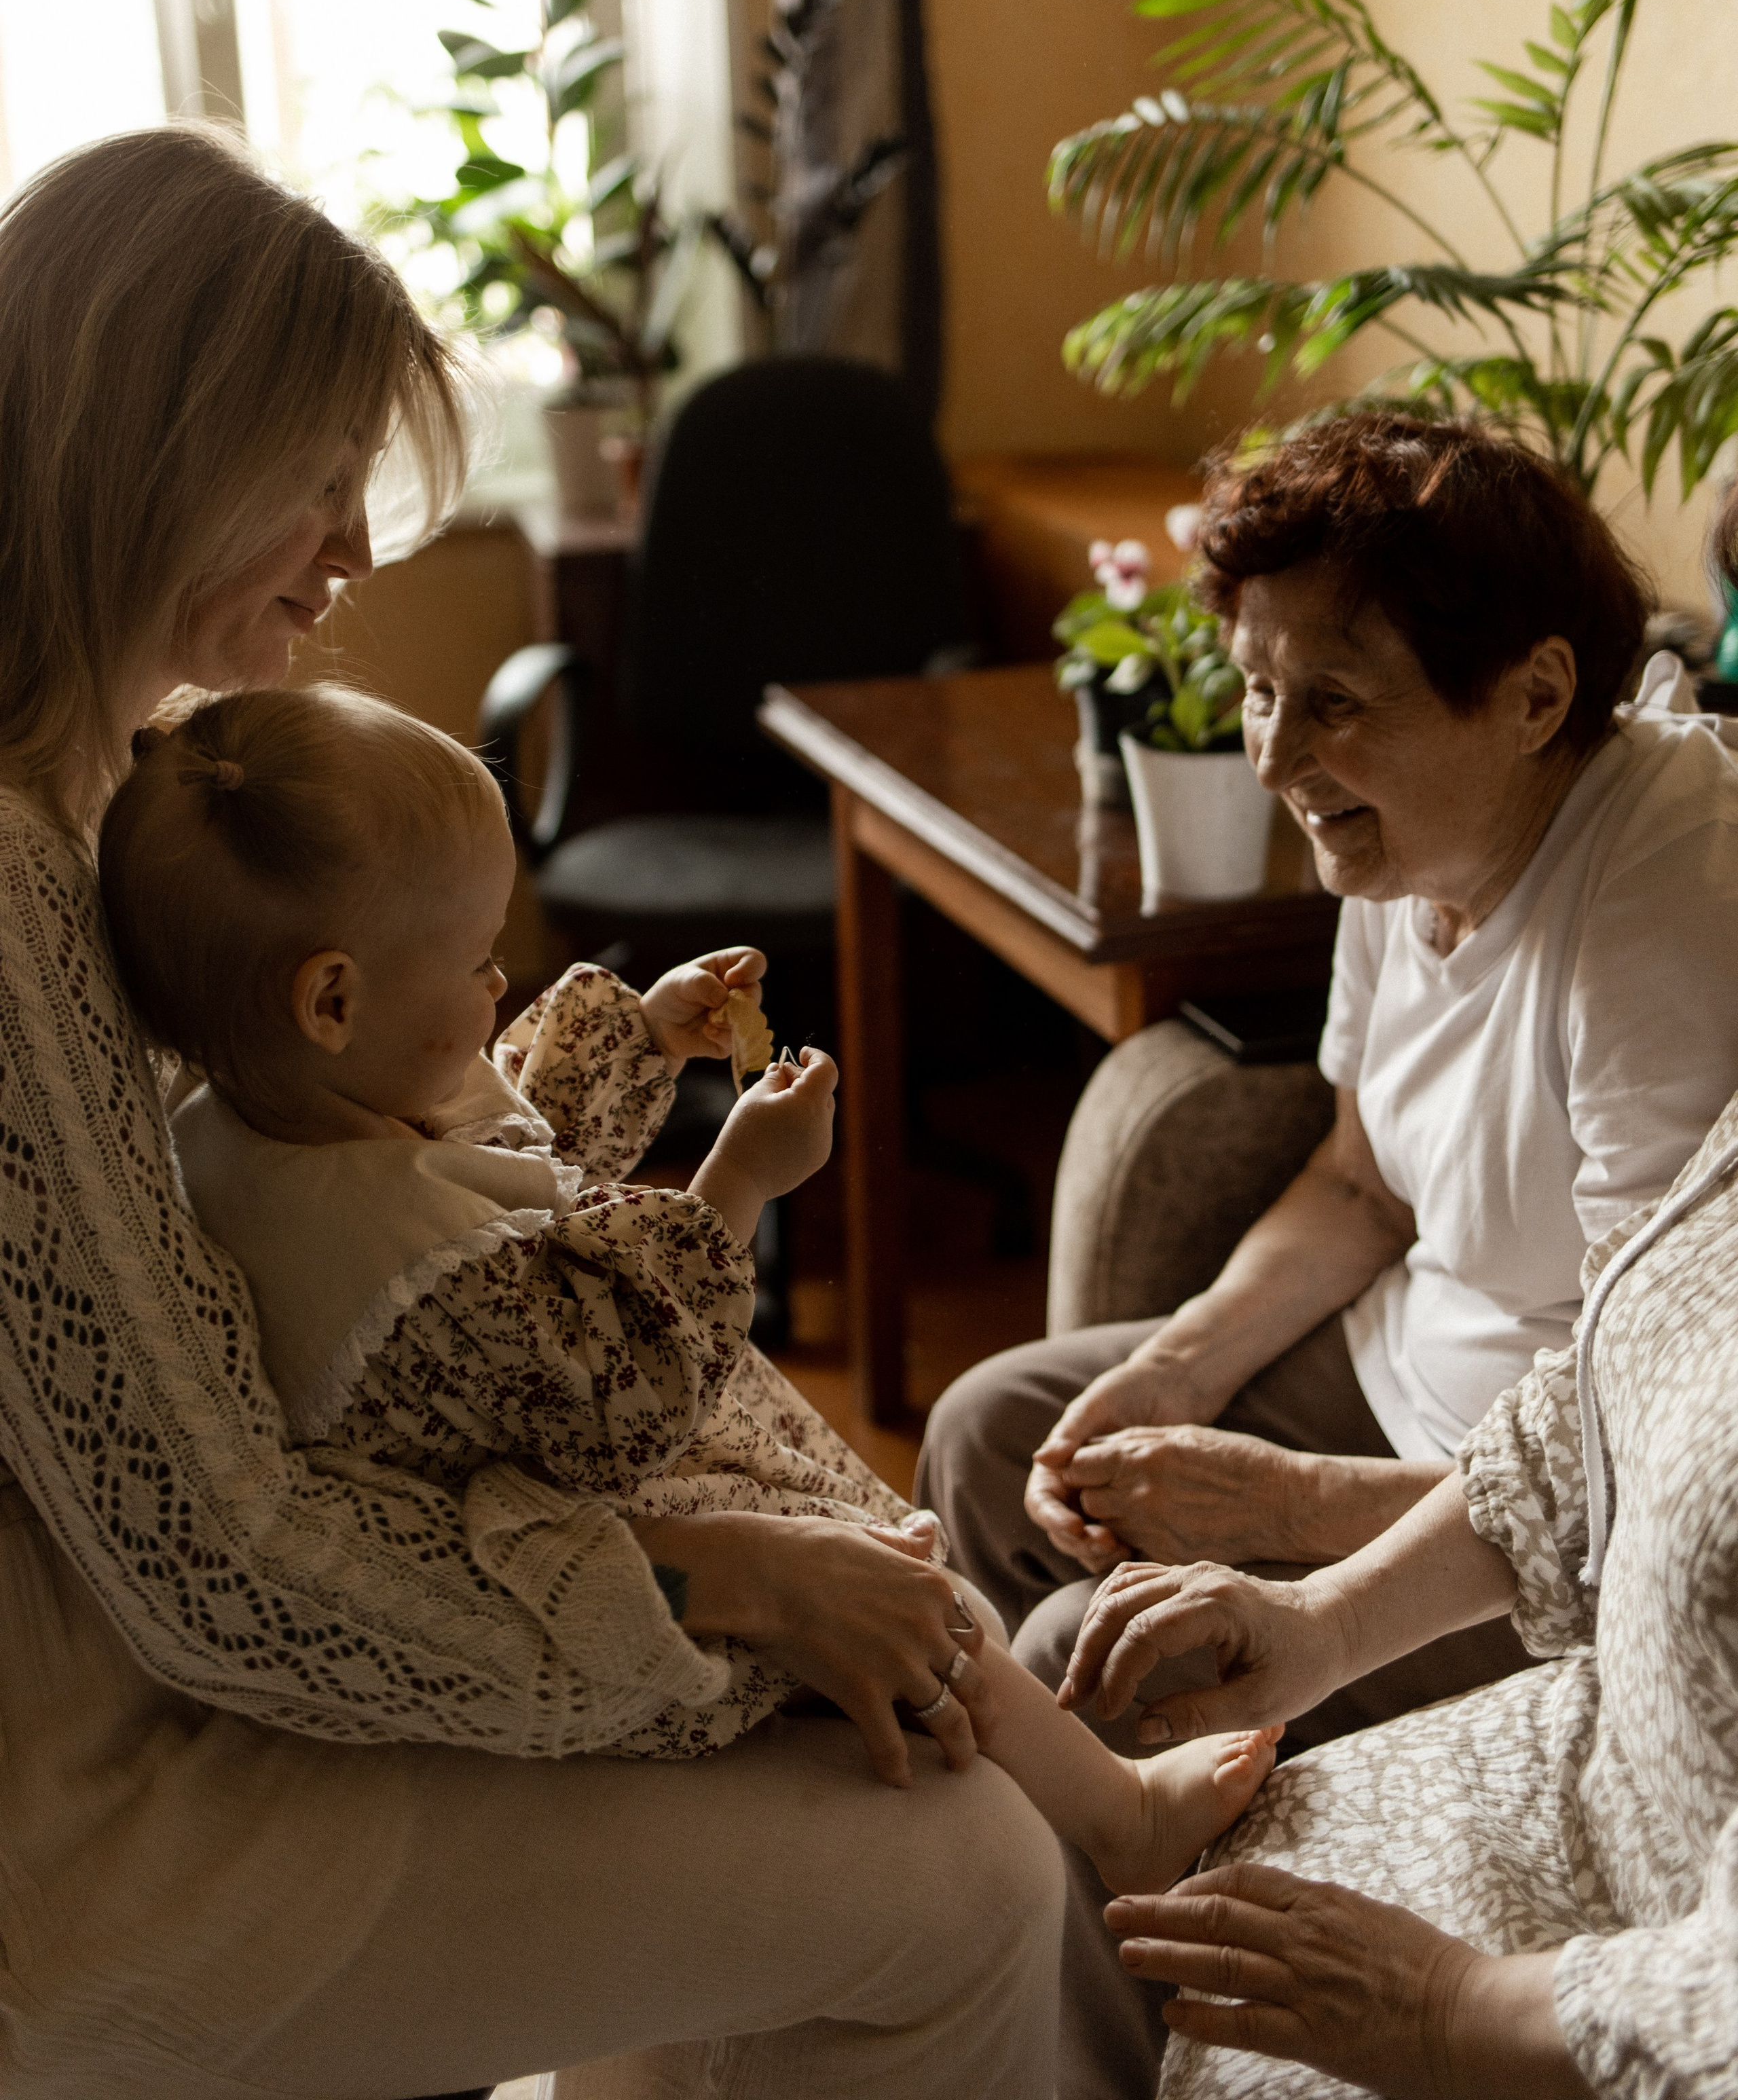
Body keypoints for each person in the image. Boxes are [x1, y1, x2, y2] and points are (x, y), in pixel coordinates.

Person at [0, 122, 1064, 2099]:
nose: (356, 547)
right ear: (162, 458)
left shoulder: (112, 782)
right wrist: (727, 1584)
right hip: (93, 1813)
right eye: (316, 484)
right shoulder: (13, 887)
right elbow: (208, 1551)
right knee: (969, 1871)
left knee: (876, 1694)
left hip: (193, 1658)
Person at [97, 680, 1286, 1888]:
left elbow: (501, 1138)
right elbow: (625, 1381)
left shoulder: (276, 1106)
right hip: (601, 1556)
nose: (502, 986)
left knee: (899, 1570)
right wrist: (741, 1182)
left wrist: (650, 1036)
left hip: (555, 1456)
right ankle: (1121, 1817)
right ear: (335, 999)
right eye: (475, 959)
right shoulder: (414, 1276)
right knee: (918, 1598)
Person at [916, 411, 1738, 2095]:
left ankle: (1055, 1976)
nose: (1276, 754)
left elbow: (1633, 1419)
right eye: (1258, 689)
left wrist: (1290, 1520)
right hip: (1399, 1369)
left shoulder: (1658, 885)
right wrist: (1174, 1365)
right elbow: (1361, 1184)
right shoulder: (1398, 832)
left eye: (1332, 699)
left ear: (1529, 696)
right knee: (997, 1427)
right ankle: (1007, 1940)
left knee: (1100, 1652)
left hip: (1534, 1507)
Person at [1054, 953, 1738, 2097]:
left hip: (1646, 1981)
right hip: (1596, 1765)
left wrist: (1446, 2009)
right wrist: (1326, 1620)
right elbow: (1606, 1399)